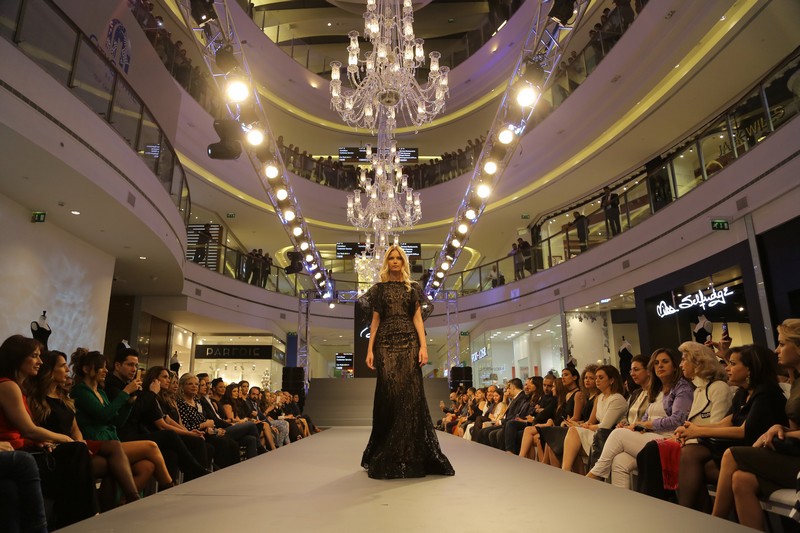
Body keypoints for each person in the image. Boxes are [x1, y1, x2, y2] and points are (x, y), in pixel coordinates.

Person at [359, 245, 455, 479]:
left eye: (398, 258)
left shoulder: (413, 288)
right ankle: (388, 450)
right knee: (390, 395)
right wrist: (369, 350)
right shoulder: (378, 289)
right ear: (387, 262)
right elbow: (375, 321)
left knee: (410, 396)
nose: (394, 261)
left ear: (404, 262)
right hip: (385, 344)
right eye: (391, 258)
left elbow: (418, 319)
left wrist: (424, 347)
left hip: (410, 341)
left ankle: (409, 453)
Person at [712, 319, 800, 530]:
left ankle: (713, 524)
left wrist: (786, 434)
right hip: (793, 454)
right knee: (741, 479)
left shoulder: (766, 392)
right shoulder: (796, 381)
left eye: (782, 344)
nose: (777, 350)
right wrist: (782, 429)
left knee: (731, 455)